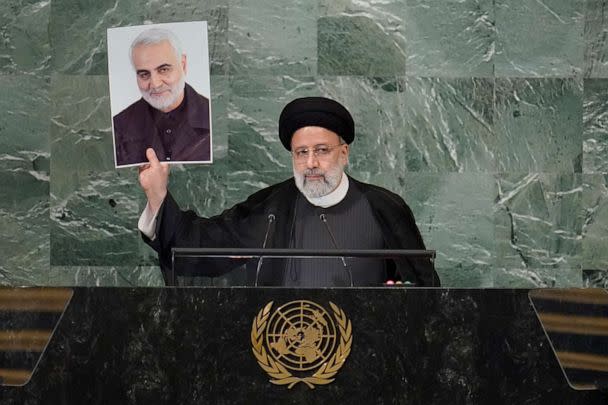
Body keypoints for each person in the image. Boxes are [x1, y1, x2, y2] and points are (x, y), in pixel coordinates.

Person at [138, 97, 440, 287]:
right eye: (301, 152)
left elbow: (423, 291)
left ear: (344, 153)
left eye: (322, 150)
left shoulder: (382, 207)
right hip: (279, 358)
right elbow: (203, 248)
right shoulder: (271, 207)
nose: (311, 163)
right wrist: (158, 195)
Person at [113, 27, 210, 166]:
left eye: (163, 69)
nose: (155, 84)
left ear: (183, 65)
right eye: (144, 74)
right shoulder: (118, 128)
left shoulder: (214, 117)